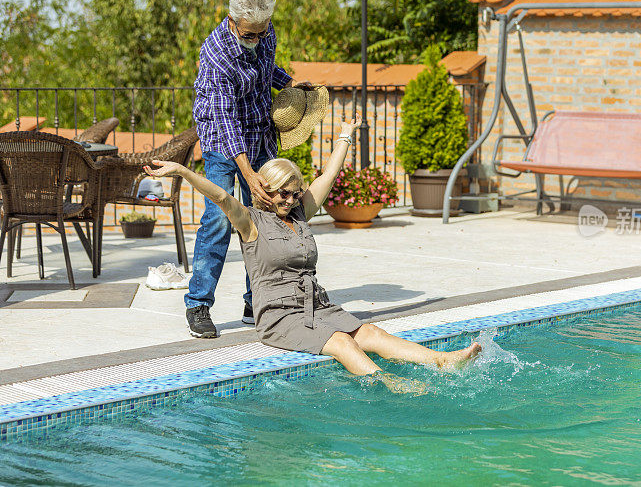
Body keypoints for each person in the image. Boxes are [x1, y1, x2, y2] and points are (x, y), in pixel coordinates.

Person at [145, 115, 481, 379]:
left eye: (295, 193)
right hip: (279, 317)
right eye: (283, 193)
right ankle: (391, 384)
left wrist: (345, 136)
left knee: (371, 332)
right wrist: (182, 171)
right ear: (266, 189)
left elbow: (328, 178)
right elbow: (220, 196)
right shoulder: (250, 223)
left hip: (318, 306)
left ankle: (442, 361)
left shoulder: (299, 214)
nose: (290, 200)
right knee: (341, 342)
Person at [188, 0, 310, 338]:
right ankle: (198, 304)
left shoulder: (264, 31)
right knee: (220, 220)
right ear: (232, 21)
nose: (257, 39)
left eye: (262, 32)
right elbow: (225, 119)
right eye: (249, 34)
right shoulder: (216, 54)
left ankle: (255, 298)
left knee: (269, 214)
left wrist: (289, 82)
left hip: (259, 131)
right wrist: (249, 173)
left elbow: (264, 70)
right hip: (223, 140)